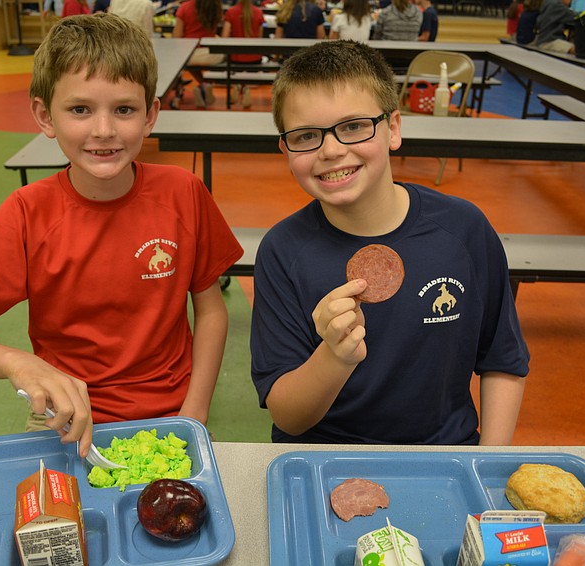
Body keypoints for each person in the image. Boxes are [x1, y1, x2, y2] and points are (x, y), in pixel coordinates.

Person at [0, 14, 243, 457]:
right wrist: (19, 363)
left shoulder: (183, 193)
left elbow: (210, 310)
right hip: (64, 420)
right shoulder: (27, 214)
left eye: (124, 109)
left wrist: (194, 413)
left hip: (173, 413)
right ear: (44, 115)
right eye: (80, 109)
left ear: (150, 115)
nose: (103, 130)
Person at [250, 40, 529, 445]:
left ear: (393, 128)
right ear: (285, 149)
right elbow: (289, 418)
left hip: (445, 455)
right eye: (306, 135)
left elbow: (502, 361)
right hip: (325, 460)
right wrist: (334, 357)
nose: (331, 150)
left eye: (353, 127)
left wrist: (488, 464)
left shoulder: (464, 229)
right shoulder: (282, 251)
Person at [174, 0, 226, 107]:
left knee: (183, 60)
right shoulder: (215, 6)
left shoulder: (184, 7)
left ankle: (203, 84)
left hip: (191, 54)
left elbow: (177, 36)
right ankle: (205, 85)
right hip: (212, 54)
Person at [222, 0, 266, 107]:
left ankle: (238, 86)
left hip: (235, 58)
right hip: (255, 59)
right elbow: (260, 39)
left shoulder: (230, 12)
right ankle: (245, 87)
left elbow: (224, 37)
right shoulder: (259, 12)